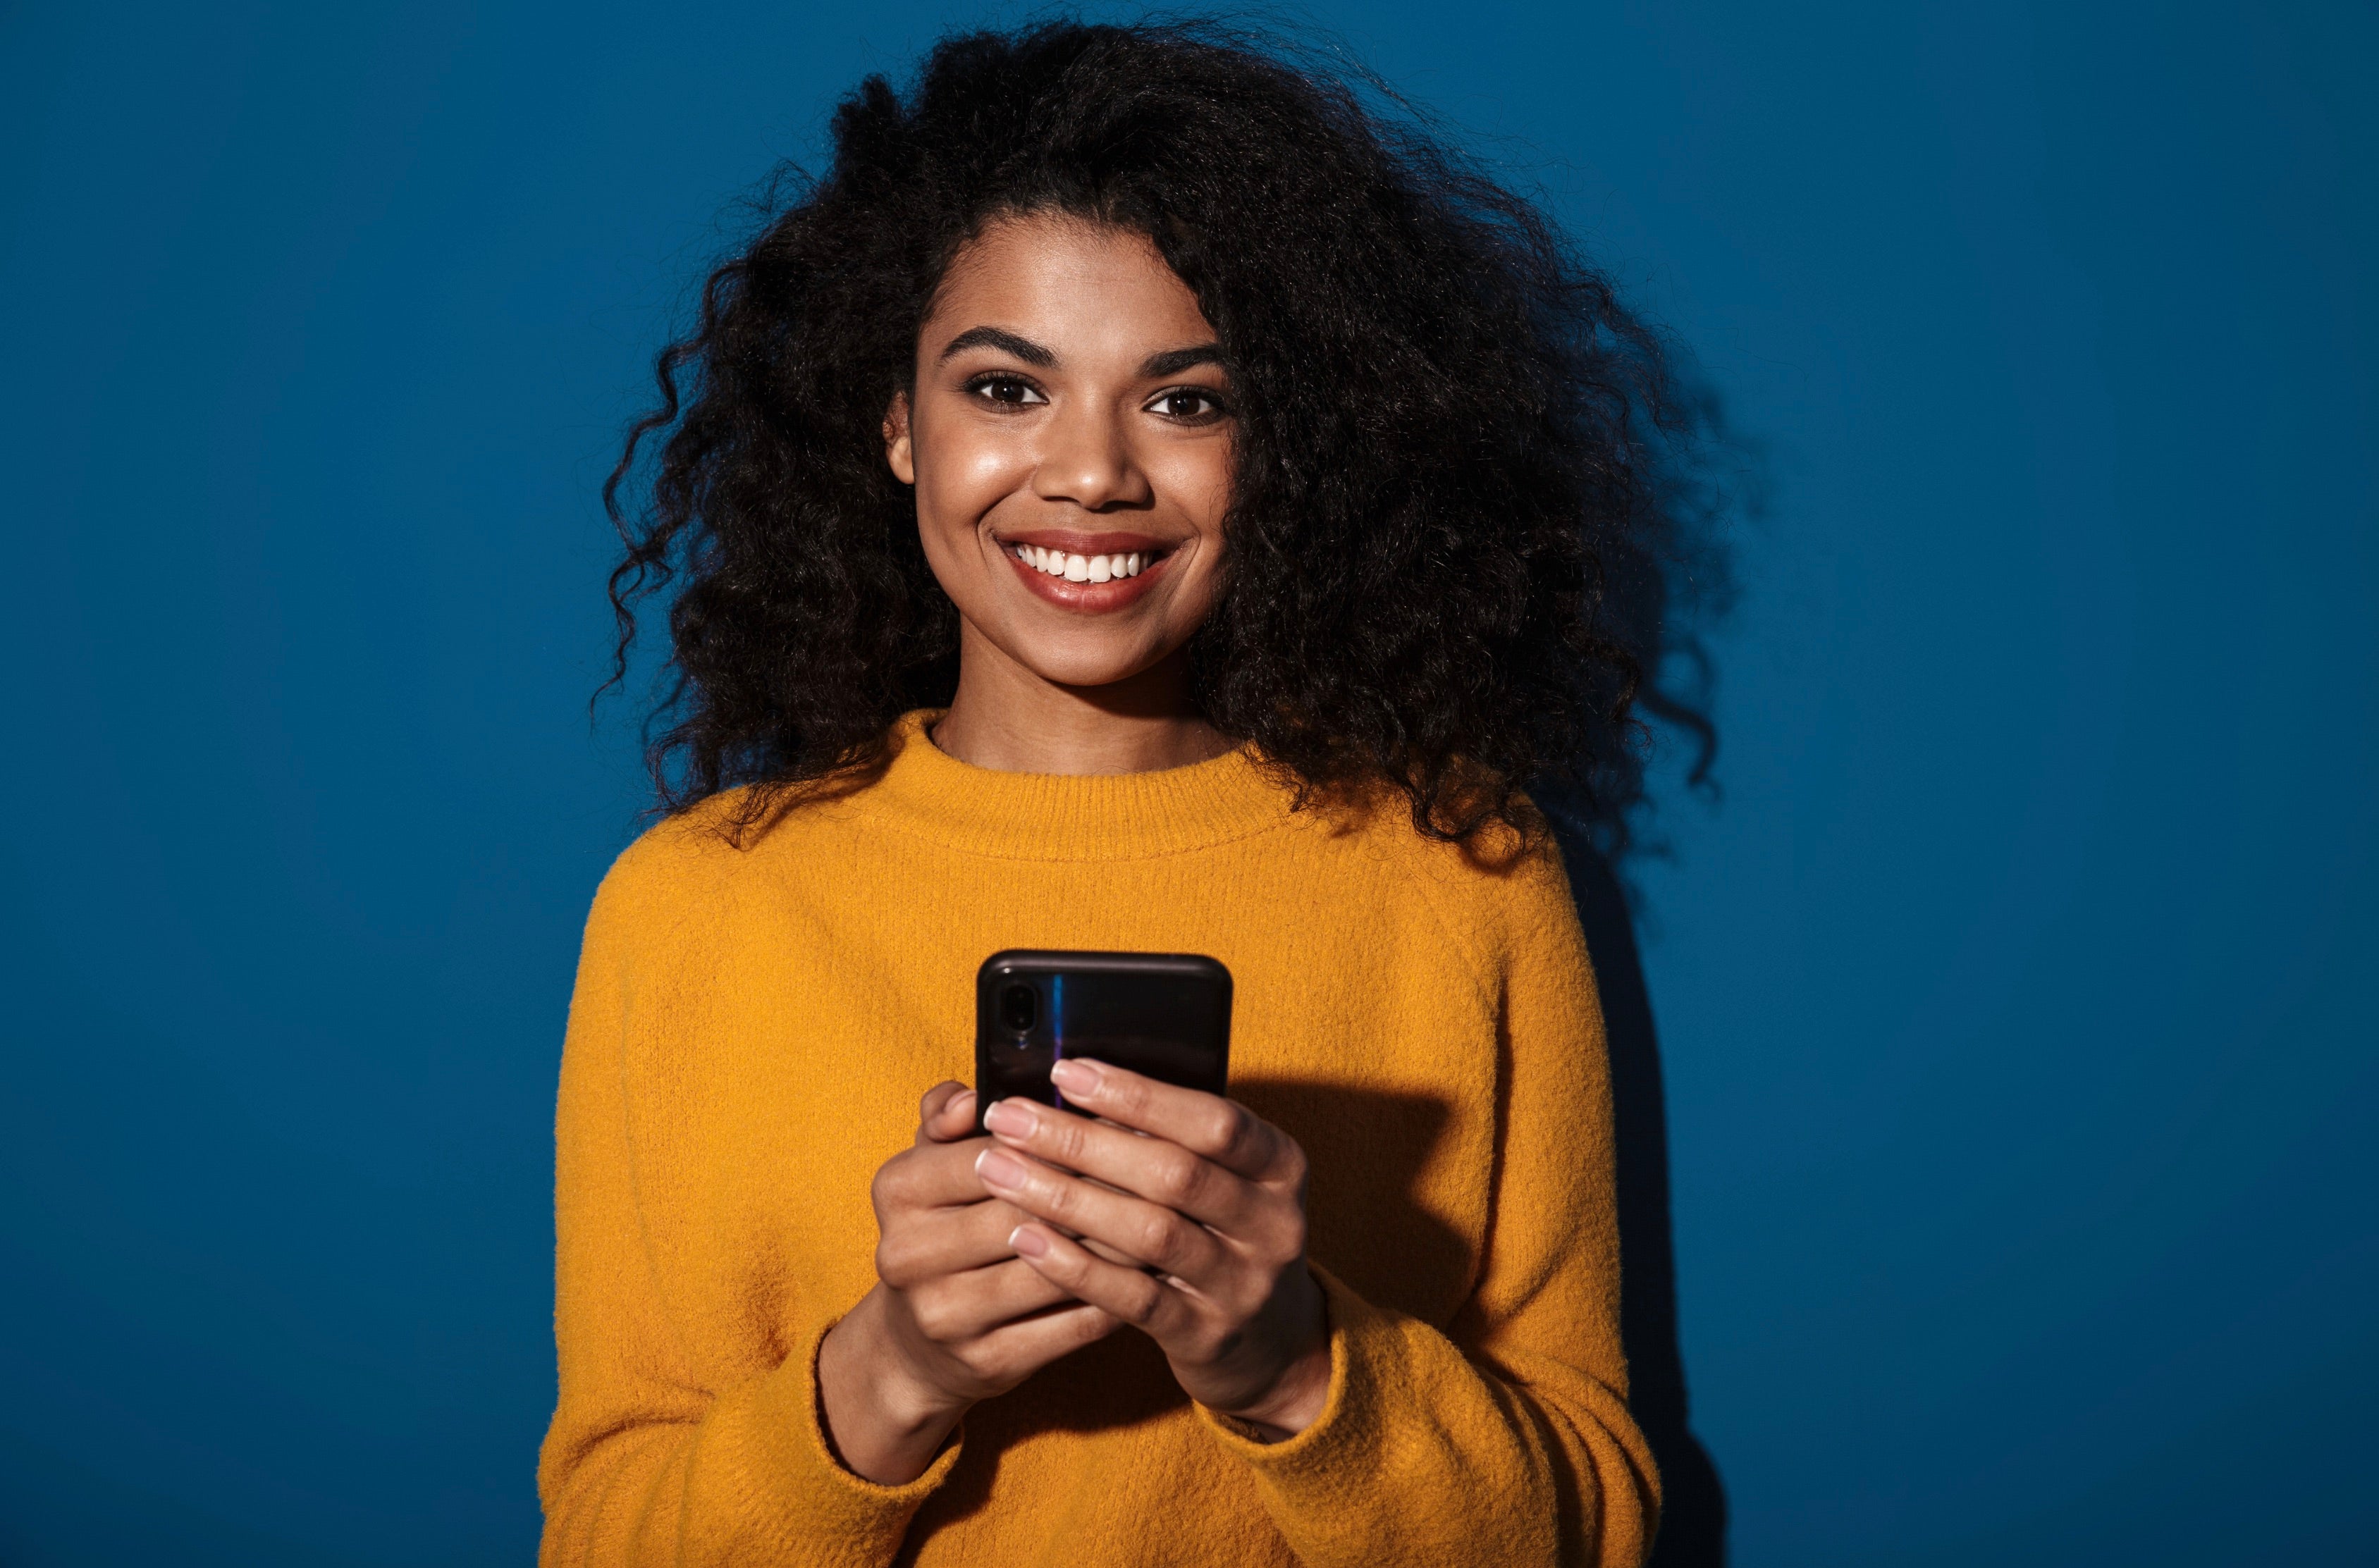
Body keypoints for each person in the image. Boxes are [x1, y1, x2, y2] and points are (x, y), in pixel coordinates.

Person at [541, 20, 1695, 1566]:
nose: (1089, 474)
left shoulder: (1462, 876)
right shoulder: (697, 906)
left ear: (1280, 446)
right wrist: (892, 1374)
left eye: (1186, 400)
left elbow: (1592, 1532)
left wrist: (1292, 1363)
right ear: (897, 423)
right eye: (1006, 388)